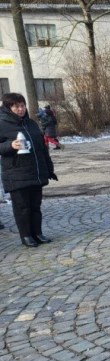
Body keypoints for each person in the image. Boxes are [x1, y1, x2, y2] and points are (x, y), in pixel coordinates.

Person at [0, 93, 57, 247]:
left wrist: (48, 166)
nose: (20, 109)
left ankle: (37, 233)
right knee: (22, 207)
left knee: (35, 206)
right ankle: (26, 236)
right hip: (16, 173)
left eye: (22, 105)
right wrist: (9, 145)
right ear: (8, 108)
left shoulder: (31, 123)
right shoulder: (2, 124)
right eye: (16, 106)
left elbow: (42, 147)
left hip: (35, 171)